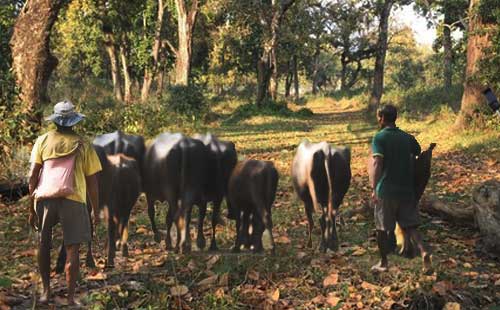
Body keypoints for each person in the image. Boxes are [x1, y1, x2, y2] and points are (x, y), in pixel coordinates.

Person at [28, 100, 101, 306]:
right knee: (73, 249)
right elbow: (93, 182)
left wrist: (31, 208)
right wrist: (95, 211)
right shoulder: (84, 144)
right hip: (74, 200)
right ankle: (70, 298)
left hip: (45, 199)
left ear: (55, 121)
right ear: (74, 121)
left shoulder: (42, 141)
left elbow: (33, 176)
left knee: (44, 245)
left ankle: (45, 291)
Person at [368, 104, 431, 273]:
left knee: (382, 228)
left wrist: (374, 188)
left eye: (378, 117)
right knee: (410, 225)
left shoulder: (379, 138)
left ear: (381, 118)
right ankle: (424, 252)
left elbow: (377, 163)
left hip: (386, 191)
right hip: (407, 190)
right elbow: (418, 153)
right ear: (395, 118)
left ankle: (383, 263)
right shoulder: (407, 137)